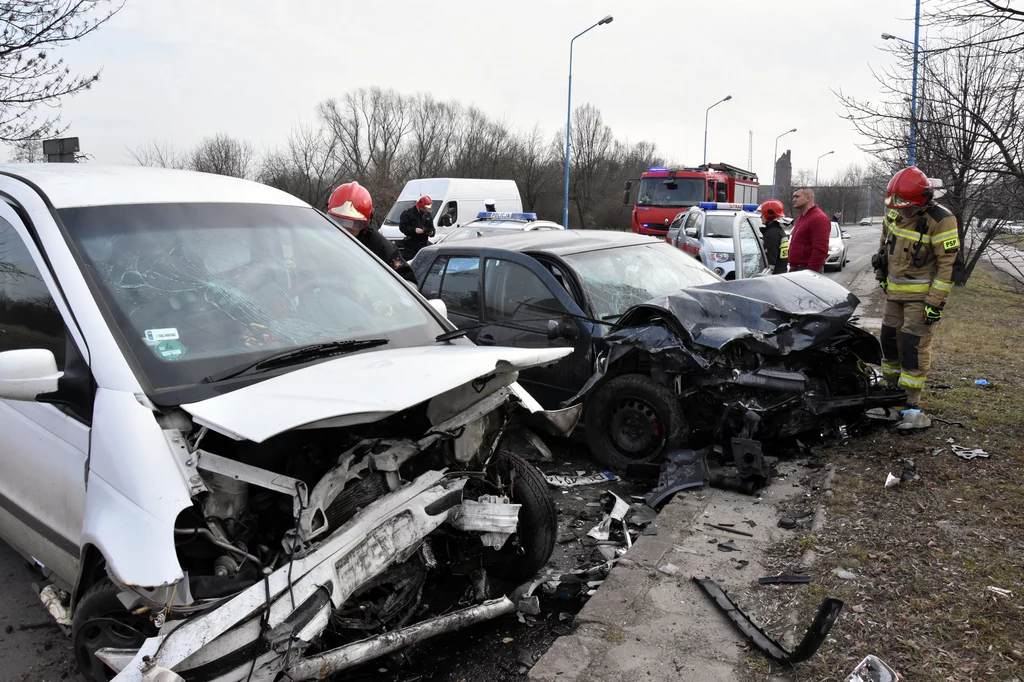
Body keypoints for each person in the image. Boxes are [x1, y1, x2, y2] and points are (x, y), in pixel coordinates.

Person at [872, 167, 959, 429]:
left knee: (912, 348)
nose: (901, 211)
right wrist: (882, 275)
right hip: (894, 295)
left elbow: (947, 266)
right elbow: (884, 247)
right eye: (896, 206)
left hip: (921, 300)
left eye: (907, 207)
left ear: (923, 201)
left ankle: (910, 404)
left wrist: (935, 303)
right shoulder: (894, 213)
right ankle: (891, 394)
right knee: (888, 341)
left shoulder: (941, 220)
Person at [328, 182, 416, 283]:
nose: (344, 229)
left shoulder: (383, 249)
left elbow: (408, 280)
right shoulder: (316, 238)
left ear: (367, 222)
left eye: (354, 224)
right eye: (337, 222)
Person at [788, 187, 830, 272]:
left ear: (808, 198)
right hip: (796, 268)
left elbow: (820, 249)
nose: (794, 200)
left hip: (805, 270)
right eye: (793, 197)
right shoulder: (802, 217)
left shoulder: (819, 218)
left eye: (797, 197)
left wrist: (810, 272)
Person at [758, 200, 789, 274]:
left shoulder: (772, 234)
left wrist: (765, 276)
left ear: (769, 215)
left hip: (774, 276)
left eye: (762, 213)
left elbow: (770, 261)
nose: (760, 216)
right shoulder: (778, 231)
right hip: (780, 273)